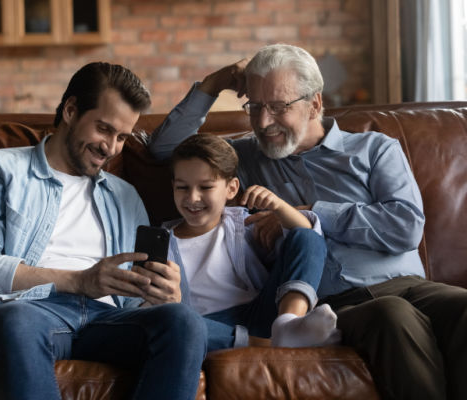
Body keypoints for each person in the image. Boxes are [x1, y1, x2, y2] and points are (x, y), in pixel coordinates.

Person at [148, 44, 467, 400]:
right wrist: (214, 83)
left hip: (409, 285)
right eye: (255, 107)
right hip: (333, 307)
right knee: (394, 316)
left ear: (314, 104)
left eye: (278, 107)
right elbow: (164, 151)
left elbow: (405, 226)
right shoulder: (248, 157)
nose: (264, 122)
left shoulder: (375, 149)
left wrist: (309, 212)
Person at [0, 62, 207, 400]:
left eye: (122, 137)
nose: (111, 148)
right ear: (71, 110)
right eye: (103, 129)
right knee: (18, 323)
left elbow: (147, 299)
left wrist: (166, 295)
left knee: (184, 323)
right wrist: (79, 281)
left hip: (108, 319)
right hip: (29, 311)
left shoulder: (125, 195)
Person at [165, 133, 340, 350]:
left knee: (306, 236)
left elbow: (308, 240)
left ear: (231, 188)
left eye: (206, 187)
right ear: (173, 186)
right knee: (176, 323)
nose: (192, 198)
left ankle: (289, 324)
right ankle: (266, 344)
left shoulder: (241, 223)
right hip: (209, 327)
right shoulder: (162, 241)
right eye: (182, 187)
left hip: (264, 314)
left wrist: (279, 207)